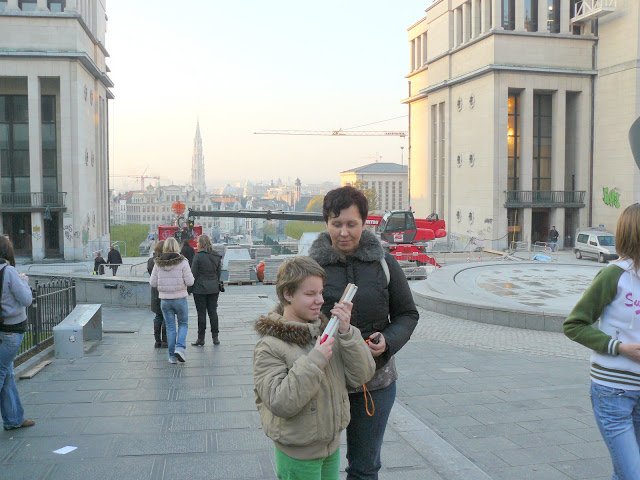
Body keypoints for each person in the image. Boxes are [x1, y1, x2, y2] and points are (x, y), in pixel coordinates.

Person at [309, 186, 419, 480]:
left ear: (364, 223)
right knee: (317, 463)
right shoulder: (311, 267)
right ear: (326, 223)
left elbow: (407, 314)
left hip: (375, 380)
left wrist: (388, 341)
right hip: (325, 379)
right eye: (336, 224)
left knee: (365, 467)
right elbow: (294, 315)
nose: (343, 232)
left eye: (351, 224)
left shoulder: (384, 262)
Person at [253, 256, 375, 480]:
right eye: (310, 294)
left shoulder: (327, 332)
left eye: (320, 292)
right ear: (288, 294)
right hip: (297, 454)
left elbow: (362, 375)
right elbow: (280, 402)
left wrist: (347, 333)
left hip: (330, 446)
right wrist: (314, 360)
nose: (320, 300)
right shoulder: (269, 346)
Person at [564, 203, 640, 480]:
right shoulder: (613, 275)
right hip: (613, 391)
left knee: (625, 473)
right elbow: (574, 325)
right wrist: (619, 348)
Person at [0, 236, 35, 431]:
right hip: (11, 331)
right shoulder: (9, 271)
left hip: (2, 330)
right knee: (2, 373)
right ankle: (14, 419)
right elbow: (26, 299)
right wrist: (24, 281)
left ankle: (14, 419)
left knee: (7, 374)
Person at [149, 237, 194, 364]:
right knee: (183, 324)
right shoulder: (183, 262)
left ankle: (172, 357)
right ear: (176, 247)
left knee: (170, 327)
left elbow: (152, 283)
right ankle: (180, 348)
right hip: (180, 299)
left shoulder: (158, 263)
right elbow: (190, 281)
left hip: (165, 300)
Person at [190, 234, 222, 346]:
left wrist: (189, 289)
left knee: (201, 314)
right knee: (213, 312)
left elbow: (193, 274)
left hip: (200, 289)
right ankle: (215, 337)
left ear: (201, 244)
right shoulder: (216, 256)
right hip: (214, 288)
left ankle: (201, 339)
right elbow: (218, 274)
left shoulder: (198, 256)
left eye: (198, 242)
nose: (197, 244)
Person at [147, 241, 167, 348]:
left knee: (158, 316)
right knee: (166, 316)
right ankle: (165, 340)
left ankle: (157, 341)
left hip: (155, 291)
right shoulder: (166, 261)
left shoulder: (151, 261)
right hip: (165, 290)